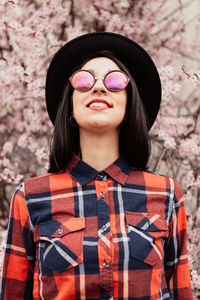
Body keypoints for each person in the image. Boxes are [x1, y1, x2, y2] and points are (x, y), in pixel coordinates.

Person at [0, 32, 193, 300]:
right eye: (84, 80)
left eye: (114, 81)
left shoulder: (167, 195)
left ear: (129, 104)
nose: (98, 87)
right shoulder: (30, 197)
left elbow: (181, 291)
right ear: (69, 105)